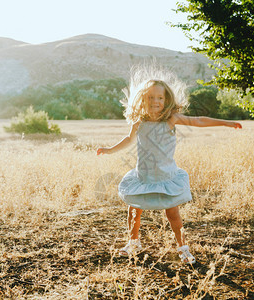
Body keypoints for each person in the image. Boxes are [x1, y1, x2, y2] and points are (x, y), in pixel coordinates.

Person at [96, 67, 242, 264]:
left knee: (172, 214)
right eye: (151, 98)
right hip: (143, 177)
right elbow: (128, 140)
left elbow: (198, 121)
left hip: (165, 177)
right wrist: (109, 149)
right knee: (133, 211)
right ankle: (133, 243)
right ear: (143, 100)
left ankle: (183, 249)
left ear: (166, 101)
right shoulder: (139, 122)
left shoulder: (171, 119)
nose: (155, 102)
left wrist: (225, 123)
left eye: (160, 98)